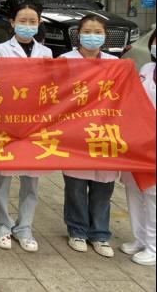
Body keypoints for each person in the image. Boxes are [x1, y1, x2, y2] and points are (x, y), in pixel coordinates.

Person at [0, 1, 53, 253]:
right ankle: (3, 226)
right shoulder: (0, 50)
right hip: (6, 121)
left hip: (35, 123)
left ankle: (24, 227)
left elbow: (49, 87)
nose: (27, 25)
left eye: (32, 21)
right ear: (12, 22)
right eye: (22, 21)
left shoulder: (46, 53)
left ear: (39, 24)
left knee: (31, 179)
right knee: (2, 178)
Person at [59, 14, 119, 258]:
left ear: (105, 36)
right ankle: (77, 231)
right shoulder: (65, 61)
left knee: (103, 186)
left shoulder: (116, 64)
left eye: (97, 32)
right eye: (87, 31)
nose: (92, 36)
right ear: (78, 34)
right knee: (75, 185)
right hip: (75, 132)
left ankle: (100, 234)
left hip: (106, 131)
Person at [120, 29, 156, 265]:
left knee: (153, 194)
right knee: (133, 189)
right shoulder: (147, 69)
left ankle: (153, 246)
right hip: (139, 140)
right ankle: (140, 238)